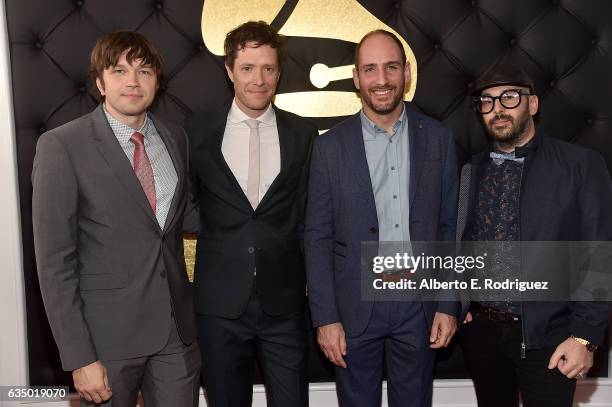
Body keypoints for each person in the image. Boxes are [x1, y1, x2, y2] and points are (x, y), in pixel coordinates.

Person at [32, 31, 200, 406]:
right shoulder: (62, 146)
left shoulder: (176, 139)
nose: (133, 82)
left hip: (176, 336)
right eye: (120, 70)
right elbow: (54, 262)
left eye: (144, 71)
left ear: (157, 81)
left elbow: (177, 223)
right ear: (100, 83)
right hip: (105, 342)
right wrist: (80, 356)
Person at [305, 29, 460, 407]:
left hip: (418, 305)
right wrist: (325, 318)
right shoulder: (328, 147)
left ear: (406, 73)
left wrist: (448, 303)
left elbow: (451, 227)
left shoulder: (439, 138)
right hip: (354, 304)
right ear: (356, 78)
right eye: (370, 69)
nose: (381, 80)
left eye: (391, 67)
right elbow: (317, 237)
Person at [459, 64, 612, 407]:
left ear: (532, 104)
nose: (497, 109)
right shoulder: (472, 169)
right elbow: (462, 241)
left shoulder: (580, 165)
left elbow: (601, 255)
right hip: (482, 334)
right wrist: (460, 301)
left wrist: (585, 337)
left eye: (509, 97)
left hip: (551, 337)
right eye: (487, 101)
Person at [185, 21, 317, 407]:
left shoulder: (303, 134)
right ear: (229, 71)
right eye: (247, 68)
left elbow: (308, 214)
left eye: (268, 69)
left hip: (285, 305)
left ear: (278, 72)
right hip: (219, 306)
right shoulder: (196, 132)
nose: (259, 80)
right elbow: (186, 204)